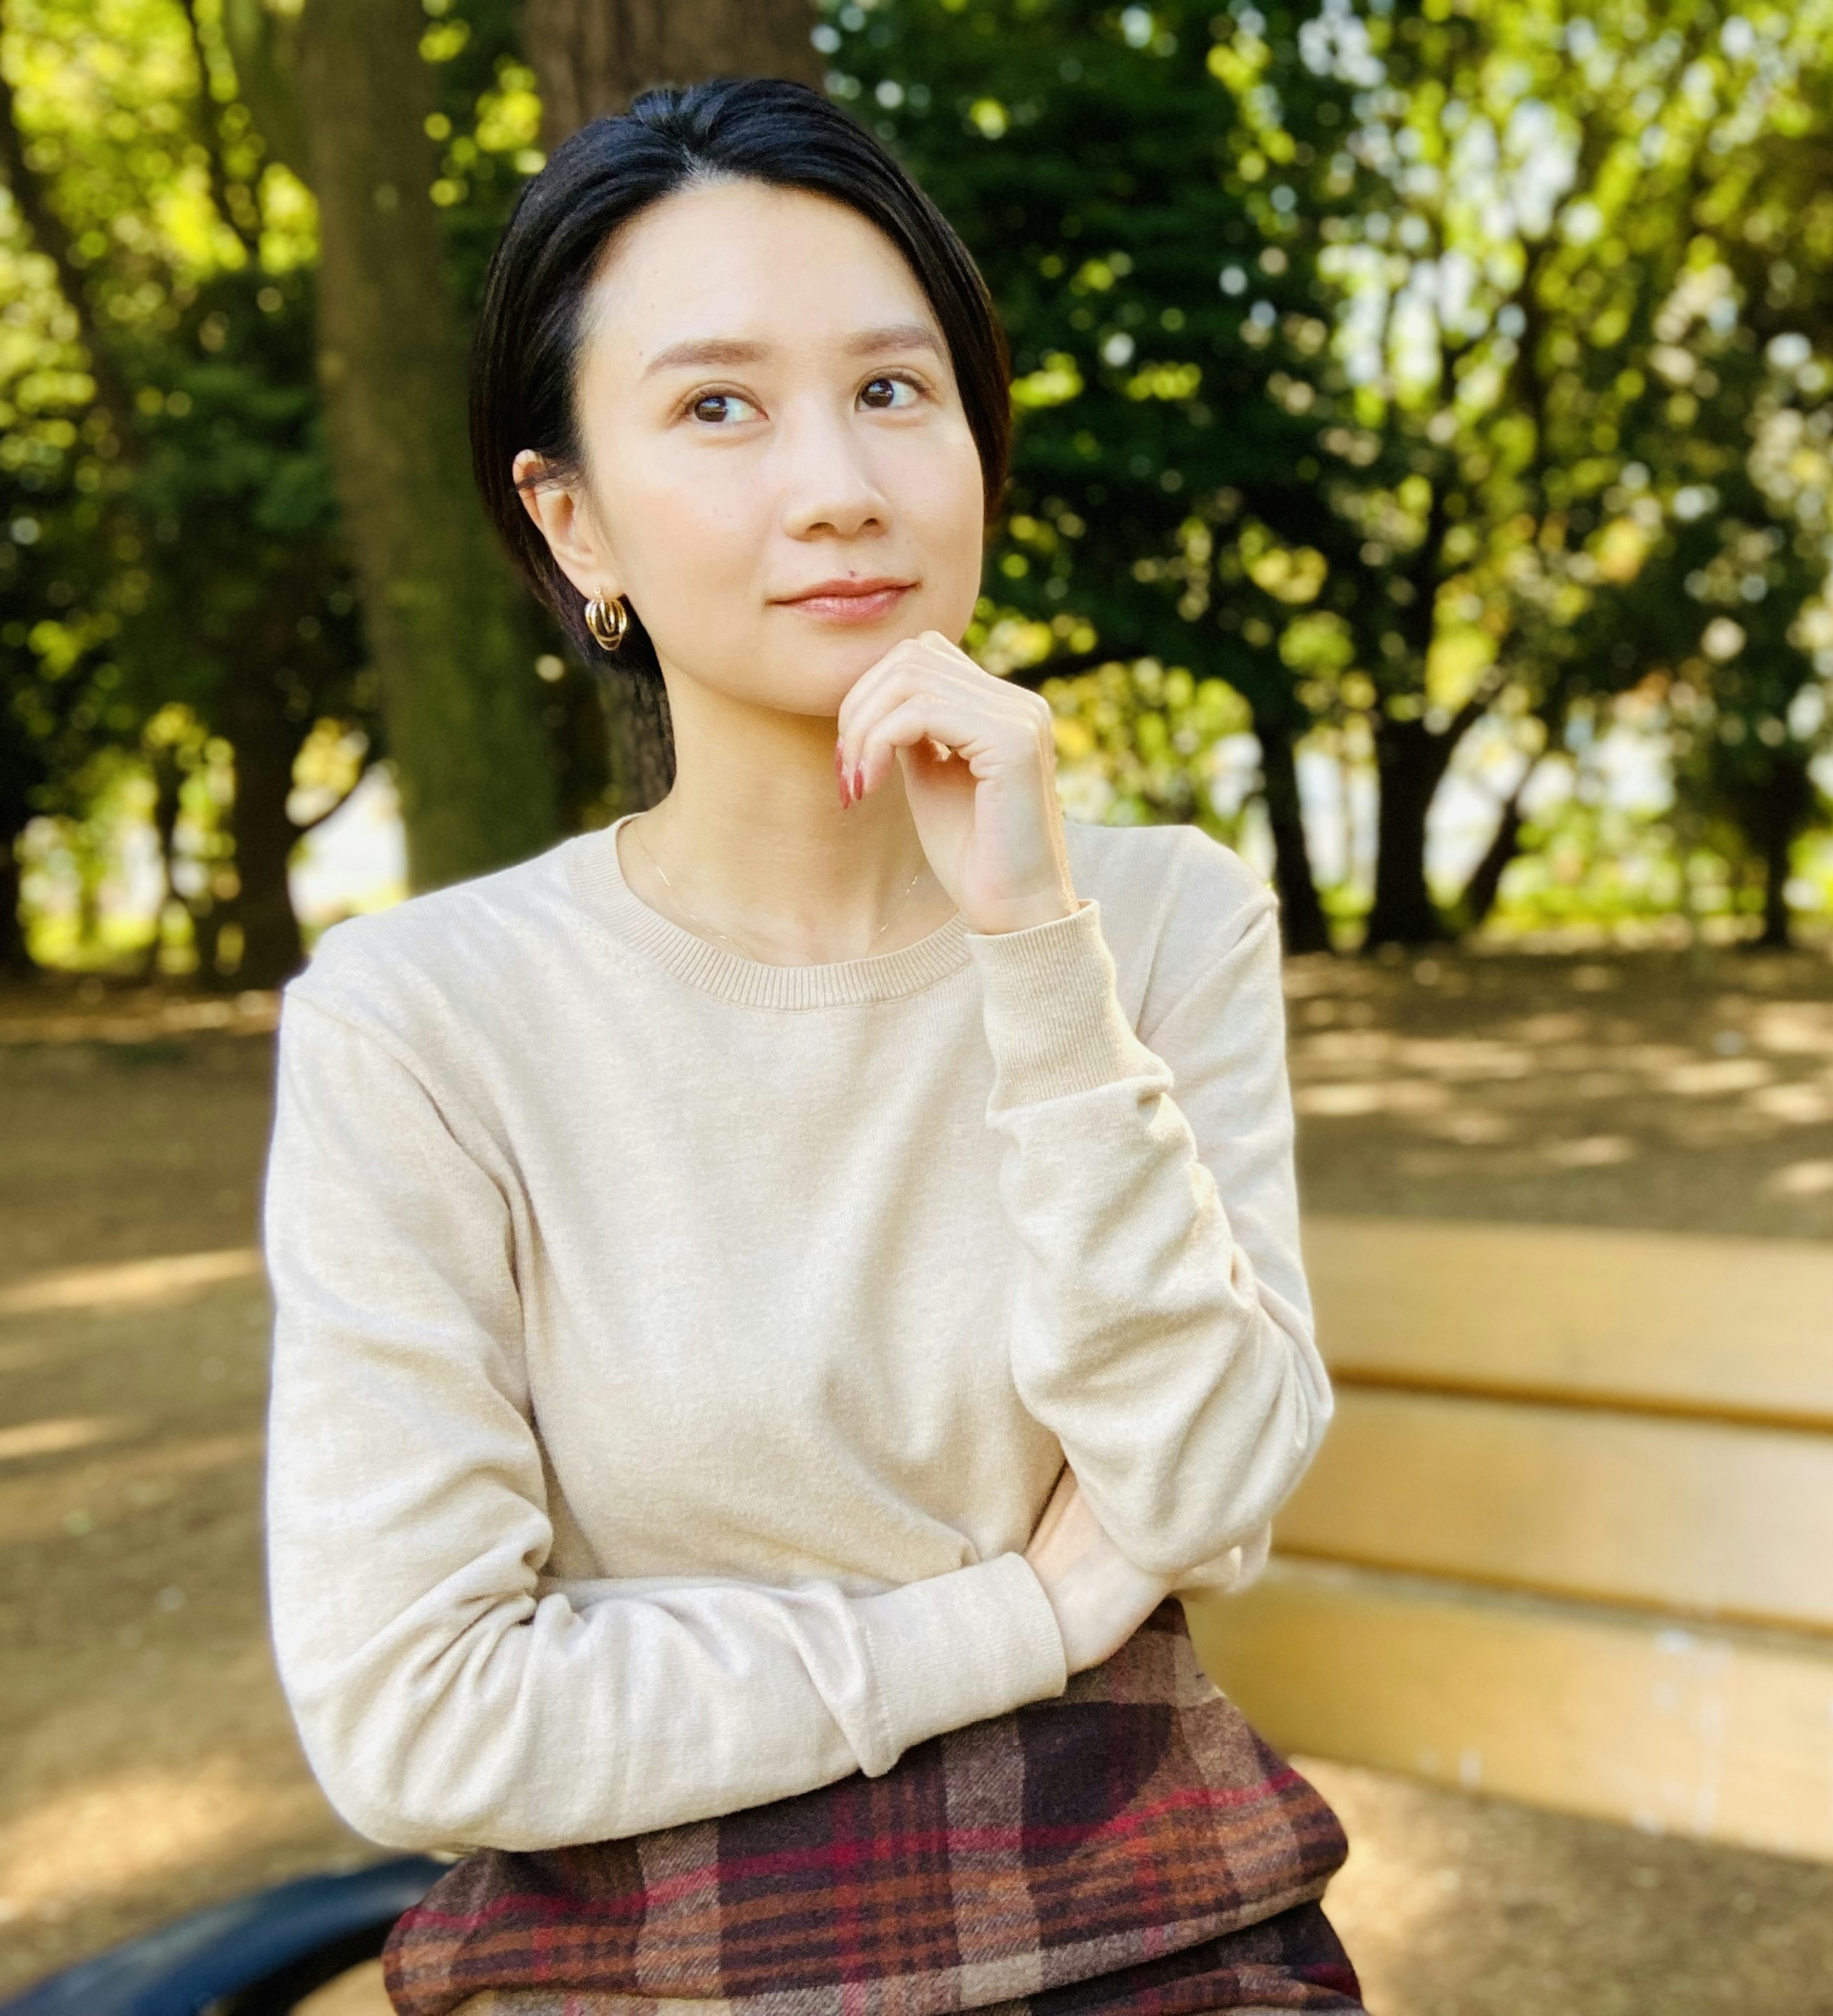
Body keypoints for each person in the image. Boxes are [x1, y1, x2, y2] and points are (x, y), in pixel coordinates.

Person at [259, 79, 1361, 2015]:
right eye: (715, 406)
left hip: (1146, 1922)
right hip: (650, 1960)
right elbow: (422, 1720)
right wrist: (1024, 1610)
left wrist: (1031, 942)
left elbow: (1197, 1483)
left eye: (892, 388)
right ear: (568, 512)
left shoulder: (1159, 916)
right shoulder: (424, 1015)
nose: (838, 481)